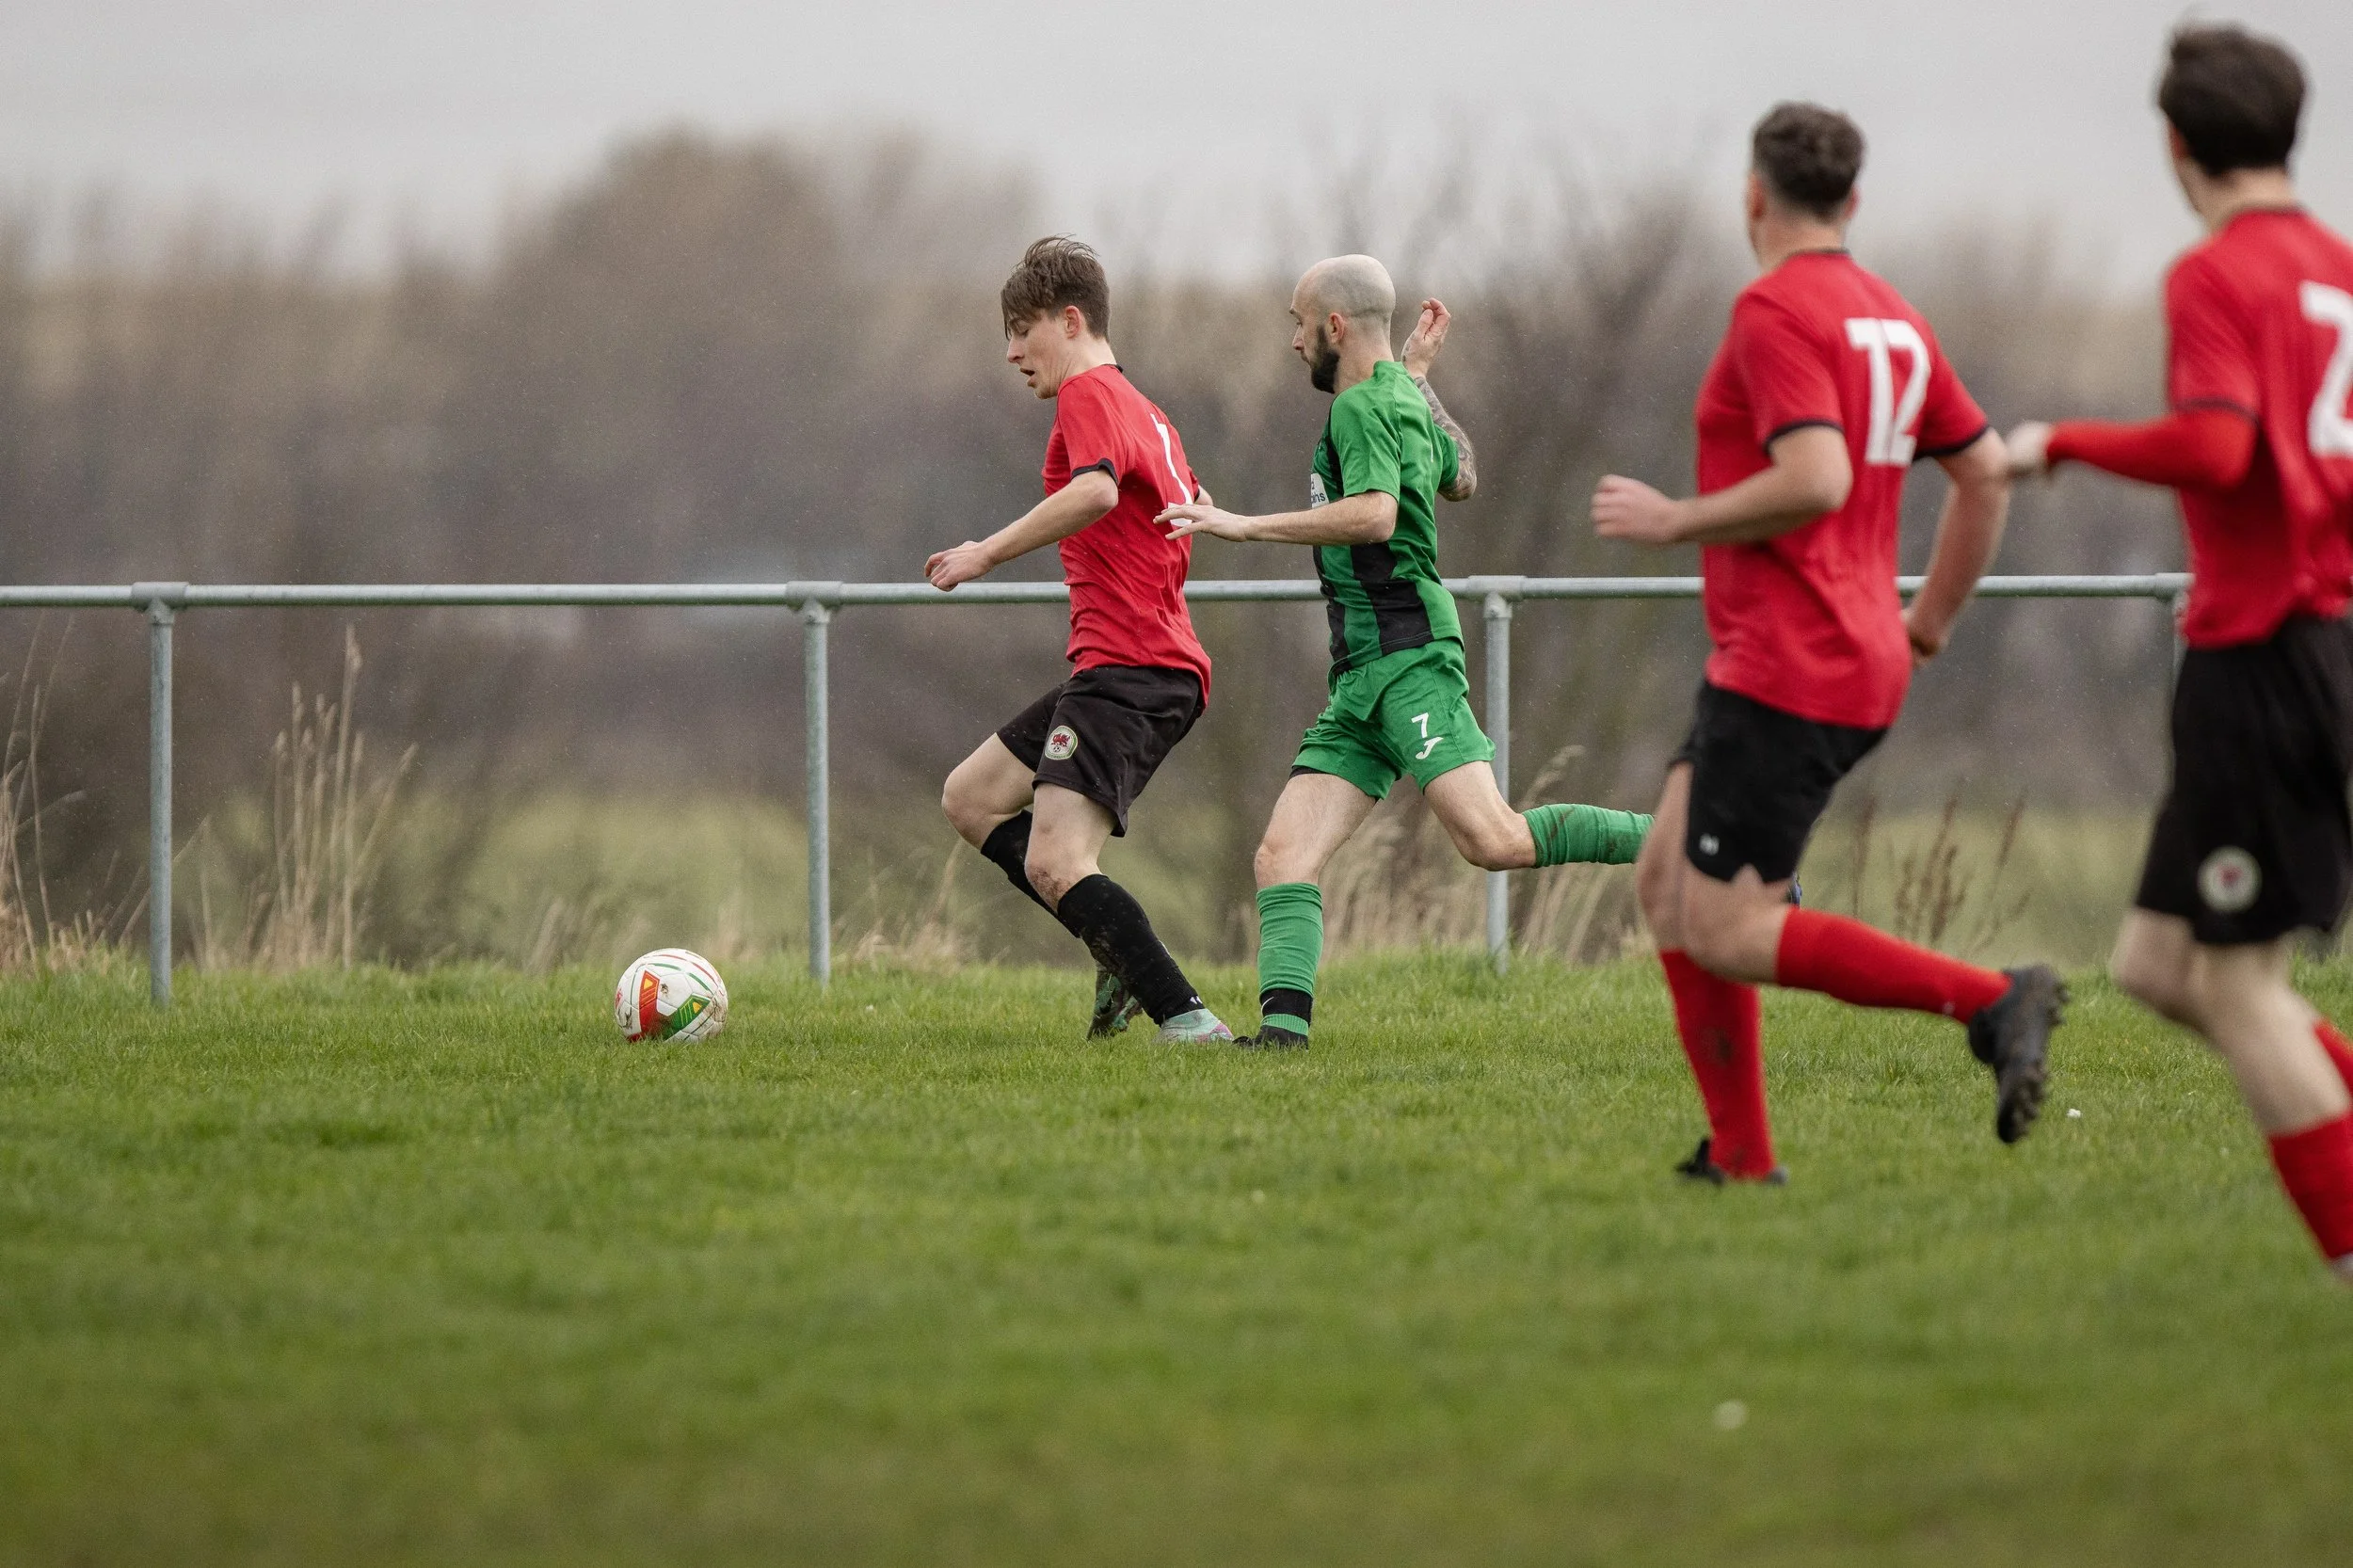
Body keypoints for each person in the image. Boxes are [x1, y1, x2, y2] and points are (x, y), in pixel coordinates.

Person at [1590, 103, 2064, 1183]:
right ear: (1853, 201)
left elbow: (1817, 480)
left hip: (1791, 664)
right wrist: (1930, 620)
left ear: (1753, 195)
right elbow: (1985, 472)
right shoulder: (1891, 315)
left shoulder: (1773, 309)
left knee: (1725, 924)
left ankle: (1992, 1002)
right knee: (1665, 882)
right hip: (1827, 654)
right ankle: (1739, 1156)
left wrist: (1674, 518)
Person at [2008, 25, 2353, 1281]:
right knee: (2157, 964)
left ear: (2176, 145)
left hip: (2262, 656)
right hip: (2313, 642)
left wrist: (2061, 442)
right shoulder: (2339, 268)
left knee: (2246, 989)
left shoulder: (2218, 274)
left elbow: (2220, 447)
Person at [1159, 256, 1651, 1049]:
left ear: (1335, 326)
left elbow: (1377, 515)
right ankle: (1281, 1042)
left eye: (1297, 322)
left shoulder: (1359, 408)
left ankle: (1702, 849)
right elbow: (1465, 477)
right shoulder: (1398, 397)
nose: (1292, 341)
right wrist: (1418, 375)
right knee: (1283, 855)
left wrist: (1245, 525)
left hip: (1407, 659)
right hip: (1361, 676)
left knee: (1493, 841)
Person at [931, 236, 1234, 1044]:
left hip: (1133, 668)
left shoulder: (1089, 395)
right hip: (1132, 663)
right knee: (972, 797)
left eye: (1021, 329)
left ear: (1070, 321)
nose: (1010, 352)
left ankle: (1189, 1023)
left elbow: (1098, 491)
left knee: (1056, 864)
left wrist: (984, 552)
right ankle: (1120, 953)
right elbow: (1183, 502)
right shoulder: (1147, 409)